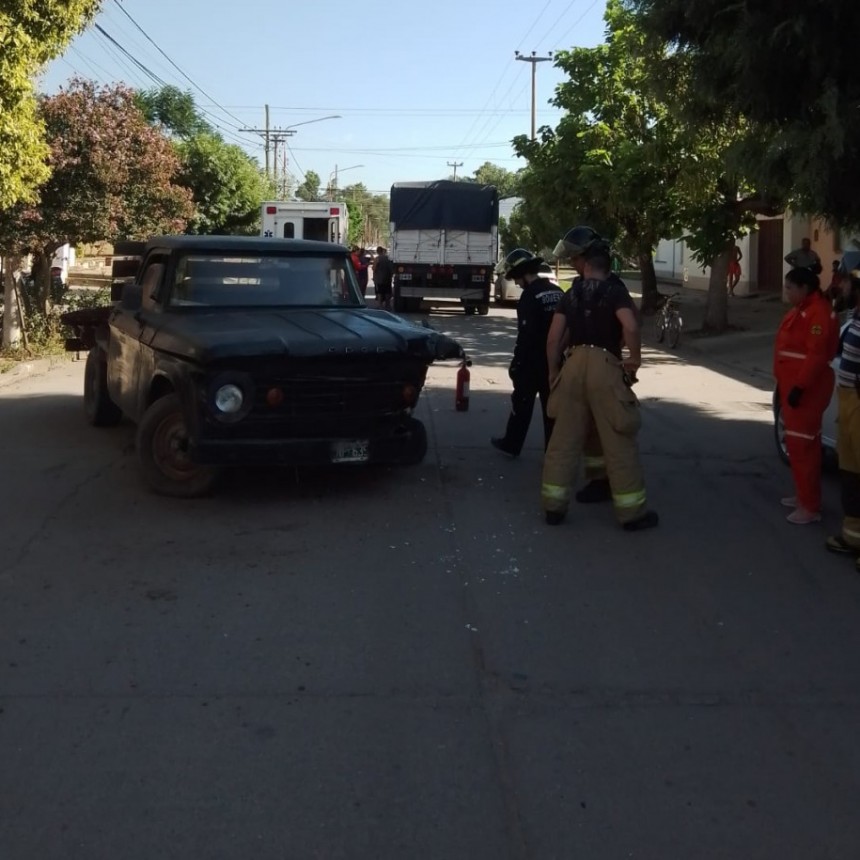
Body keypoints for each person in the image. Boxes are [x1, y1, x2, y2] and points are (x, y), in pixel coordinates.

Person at [541, 226, 658, 531]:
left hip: (574, 363)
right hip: (606, 365)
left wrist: (554, 371)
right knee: (619, 440)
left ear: (587, 262)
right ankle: (632, 514)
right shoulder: (615, 290)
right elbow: (631, 325)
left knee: (563, 440)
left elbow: (554, 339)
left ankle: (553, 506)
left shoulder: (572, 292)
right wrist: (634, 360)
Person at [773, 267, 839, 524]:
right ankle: (802, 496)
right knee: (798, 445)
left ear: (803, 288)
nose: (786, 292)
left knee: (803, 446)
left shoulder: (819, 314)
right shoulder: (803, 310)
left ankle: (809, 507)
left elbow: (816, 356)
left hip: (806, 390)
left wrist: (799, 388)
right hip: (793, 387)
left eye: (790, 287)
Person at [491, 249, 563, 457]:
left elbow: (527, 335)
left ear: (523, 274)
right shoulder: (557, 292)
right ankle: (553, 451)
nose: (518, 283)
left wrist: (517, 363)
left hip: (533, 361)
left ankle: (512, 444)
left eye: (516, 278)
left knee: (522, 403)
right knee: (553, 410)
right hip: (557, 359)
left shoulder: (530, 297)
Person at [826, 266, 860, 563]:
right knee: (850, 474)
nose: (842, 287)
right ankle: (853, 538)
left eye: (847, 282)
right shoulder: (854, 320)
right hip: (849, 404)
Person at [373, 246, 394, 310]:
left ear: (377, 251)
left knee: (380, 292)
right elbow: (391, 269)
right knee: (387, 291)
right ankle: (388, 305)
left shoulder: (377, 259)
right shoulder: (388, 258)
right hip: (387, 278)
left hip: (379, 278)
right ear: (382, 251)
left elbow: (374, 268)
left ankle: (380, 305)